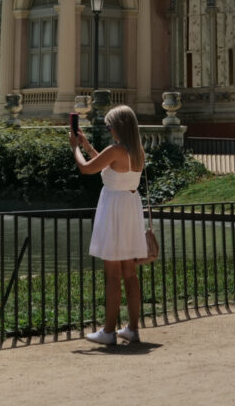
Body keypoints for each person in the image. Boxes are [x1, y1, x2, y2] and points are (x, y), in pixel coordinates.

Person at [71, 104, 148, 346]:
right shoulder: (137, 152)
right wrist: (87, 145)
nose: (108, 129)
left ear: (118, 127)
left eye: (109, 125)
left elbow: (86, 169)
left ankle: (108, 331)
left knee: (112, 275)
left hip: (114, 210)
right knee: (130, 275)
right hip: (130, 209)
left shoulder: (116, 150)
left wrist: (75, 149)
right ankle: (132, 328)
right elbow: (109, 168)